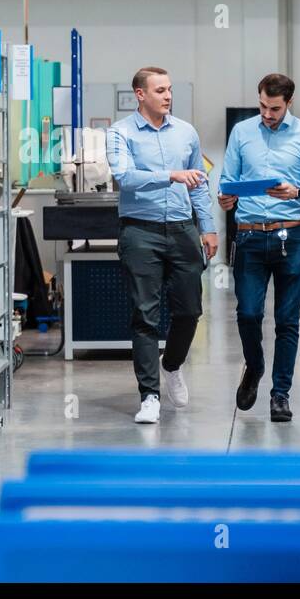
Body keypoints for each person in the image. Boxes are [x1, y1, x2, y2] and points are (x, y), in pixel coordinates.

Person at [105, 67, 219, 424]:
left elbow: (198, 183)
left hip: (183, 229)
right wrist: (169, 175)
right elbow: (124, 177)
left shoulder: (186, 132)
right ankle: (149, 396)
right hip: (141, 231)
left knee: (190, 311)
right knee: (145, 315)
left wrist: (209, 227)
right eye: (159, 90)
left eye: (169, 89)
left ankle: (171, 365)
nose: (167, 96)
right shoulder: (120, 133)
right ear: (140, 94)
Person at [217, 73, 300, 422]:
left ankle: (281, 394)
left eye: (275, 108)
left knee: (287, 321)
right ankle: (255, 364)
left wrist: (297, 192)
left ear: (289, 104)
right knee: (247, 313)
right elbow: (226, 179)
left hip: (289, 237)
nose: (267, 113)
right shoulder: (241, 132)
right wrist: (224, 197)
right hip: (249, 235)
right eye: (263, 106)